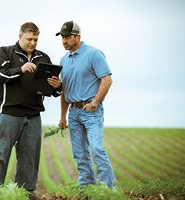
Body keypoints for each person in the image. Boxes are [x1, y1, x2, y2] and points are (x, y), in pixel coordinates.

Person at [0, 22, 62, 196]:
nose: (33, 43)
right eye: (29, 39)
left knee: (29, 159)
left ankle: (24, 195)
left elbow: (52, 90)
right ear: (20, 36)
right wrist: (21, 69)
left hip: (33, 116)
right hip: (6, 114)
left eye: (35, 39)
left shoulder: (43, 58)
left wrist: (57, 86)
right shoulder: (4, 52)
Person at [56, 21, 116, 188]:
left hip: (91, 112)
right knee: (80, 154)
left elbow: (107, 80)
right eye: (62, 37)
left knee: (96, 150)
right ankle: (88, 190)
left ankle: (108, 191)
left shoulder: (94, 54)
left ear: (78, 37)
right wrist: (62, 116)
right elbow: (64, 90)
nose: (64, 41)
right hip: (73, 113)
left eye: (67, 37)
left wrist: (95, 102)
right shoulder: (63, 60)